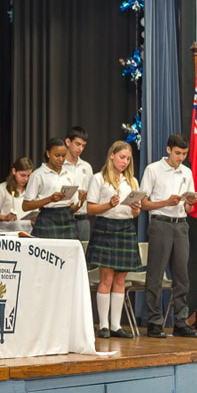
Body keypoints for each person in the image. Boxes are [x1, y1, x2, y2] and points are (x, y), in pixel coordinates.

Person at [139, 134, 197, 338]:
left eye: (184, 154)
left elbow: (188, 209)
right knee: (155, 275)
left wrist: (189, 204)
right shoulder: (153, 169)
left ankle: (180, 322)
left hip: (180, 224)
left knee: (182, 277)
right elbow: (143, 203)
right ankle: (154, 322)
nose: (180, 158)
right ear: (168, 150)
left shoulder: (186, 172)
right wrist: (166, 202)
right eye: (177, 153)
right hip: (160, 223)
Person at [85, 141, 142, 339]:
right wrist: (108, 205)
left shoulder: (132, 181)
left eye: (128, 159)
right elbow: (90, 209)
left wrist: (136, 209)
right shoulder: (98, 179)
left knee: (120, 280)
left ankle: (116, 325)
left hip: (126, 228)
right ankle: (103, 325)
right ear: (112, 155)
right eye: (121, 157)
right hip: (106, 227)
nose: (125, 162)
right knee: (106, 279)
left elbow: (135, 213)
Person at [22, 138, 82, 239]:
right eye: (57, 155)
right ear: (48, 153)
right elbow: (25, 206)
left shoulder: (70, 174)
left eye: (63, 156)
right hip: (47, 219)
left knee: (68, 249)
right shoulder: (38, 175)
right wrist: (50, 199)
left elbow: (72, 209)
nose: (61, 159)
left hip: (67, 219)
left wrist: (81, 202)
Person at [0, 157, 35, 235]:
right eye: (22, 175)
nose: (26, 179)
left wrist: (34, 220)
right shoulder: (1, 189)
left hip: (27, 233)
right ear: (14, 171)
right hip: (5, 234)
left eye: (29, 176)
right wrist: (5, 217)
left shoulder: (31, 190)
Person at [63, 126, 93, 241]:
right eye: (77, 144)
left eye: (83, 146)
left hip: (82, 218)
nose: (80, 149)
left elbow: (91, 192)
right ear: (68, 142)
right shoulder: (59, 166)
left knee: (83, 249)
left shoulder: (86, 167)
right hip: (64, 218)